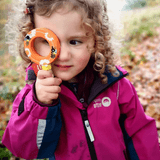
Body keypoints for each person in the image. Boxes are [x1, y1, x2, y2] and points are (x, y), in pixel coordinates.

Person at [2, 0, 160, 160]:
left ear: (96, 41)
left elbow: (141, 135)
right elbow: (25, 150)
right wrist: (40, 105)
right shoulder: (33, 98)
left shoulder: (117, 86)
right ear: (31, 42)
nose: (63, 56)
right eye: (46, 41)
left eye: (74, 42)